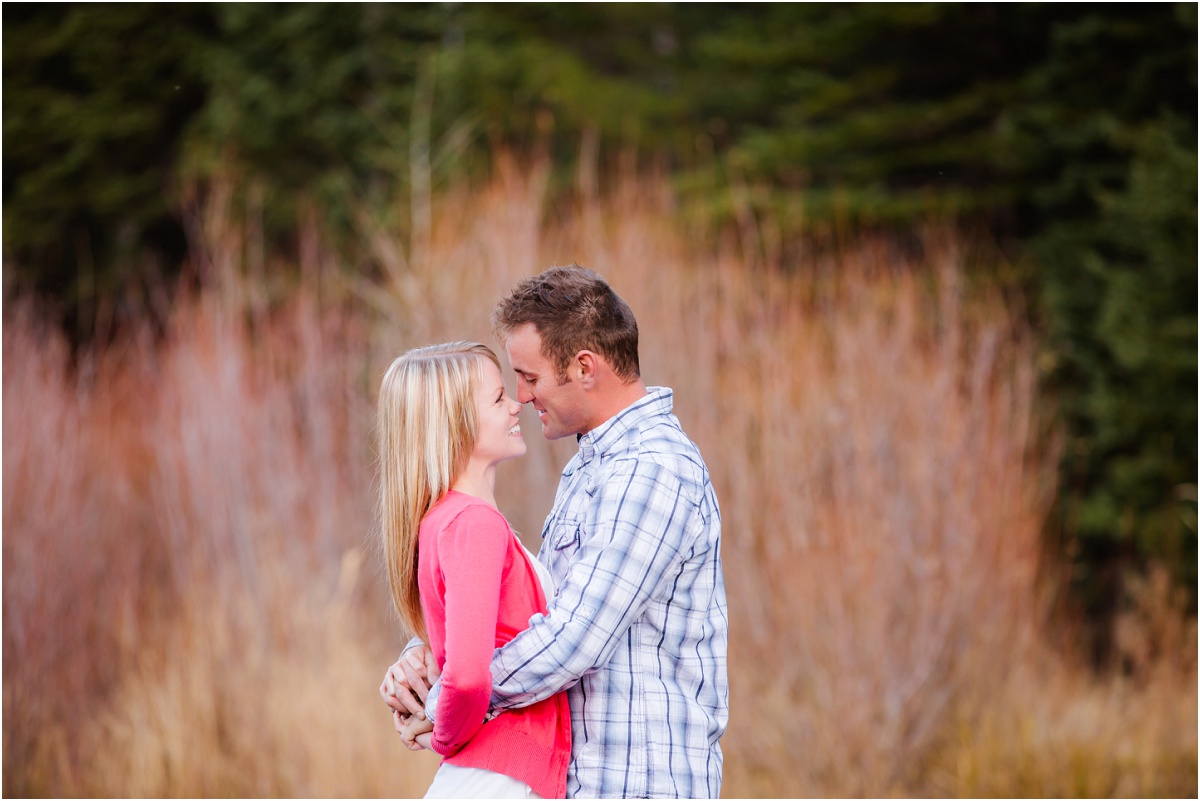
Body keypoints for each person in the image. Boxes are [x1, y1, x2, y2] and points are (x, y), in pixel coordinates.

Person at [382, 266, 729, 798]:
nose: (520, 395)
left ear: (584, 367)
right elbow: (529, 610)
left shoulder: (653, 469)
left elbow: (573, 636)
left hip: (636, 782)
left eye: (531, 377)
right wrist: (427, 655)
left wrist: (452, 695)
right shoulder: (591, 470)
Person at [376, 341, 571, 799]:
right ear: (456, 425)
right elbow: (465, 676)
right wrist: (444, 736)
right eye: (498, 398)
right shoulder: (474, 524)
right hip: (499, 780)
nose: (516, 404)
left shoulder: (445, 521)